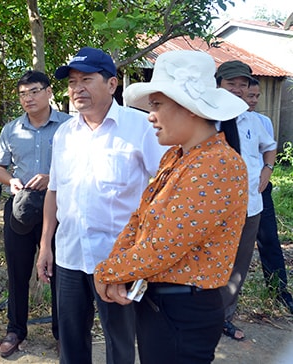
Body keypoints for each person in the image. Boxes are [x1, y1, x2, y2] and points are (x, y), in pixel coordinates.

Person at [93, 50, 249, 364]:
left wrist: (107, 272)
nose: (150, 115)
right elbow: (140, 218)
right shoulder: (177, 157)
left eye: (157, 105)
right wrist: (114, 265)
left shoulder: (218, 165)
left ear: (189, 109)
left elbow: (164, 246)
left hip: (184, 309)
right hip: (161, 302)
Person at [35, 47, 167, 364]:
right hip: (69, 255)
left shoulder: (141, 128)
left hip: (117, 259)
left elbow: (165, 190)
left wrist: (144, 252)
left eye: (87, 80)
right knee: (70, 342)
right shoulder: (64, 133)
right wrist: (45, 246)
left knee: (119, 343)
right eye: (72, 82)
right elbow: (54, 190)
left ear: (111, 84)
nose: (77, 88)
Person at [0, 70, 71, 358]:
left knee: (62, 273)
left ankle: (64, 334)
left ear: (49, 92)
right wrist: (9, 179)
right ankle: (16, 331)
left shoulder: (69, 126)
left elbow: (82, 165)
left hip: (60, 208)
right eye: (23, 93)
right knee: (18, 272)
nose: (28, 98)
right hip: (21, 208)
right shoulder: (11, 129)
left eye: (34, 91)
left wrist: (53, 178)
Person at [215, 61, 277, 341]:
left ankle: (224, 319)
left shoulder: (253, 120)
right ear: (218, 85)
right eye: (231, 84)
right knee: (211, 261)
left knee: (238, 267)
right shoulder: (205, 118)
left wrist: (268, 169)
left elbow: (270, 146)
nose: (238, 90)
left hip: (250, 206)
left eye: (243, 84)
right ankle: (202, 316)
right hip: (213, 210)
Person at [244, 79, 293, 313]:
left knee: (270, 240)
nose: (253, 100)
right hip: (232, 193)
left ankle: (280, 291)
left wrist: (268, 172)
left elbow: (268, 152)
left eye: (256, 96)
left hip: (260, 189)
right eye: (249, 96)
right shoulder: (221, 120)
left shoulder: (262, 122)